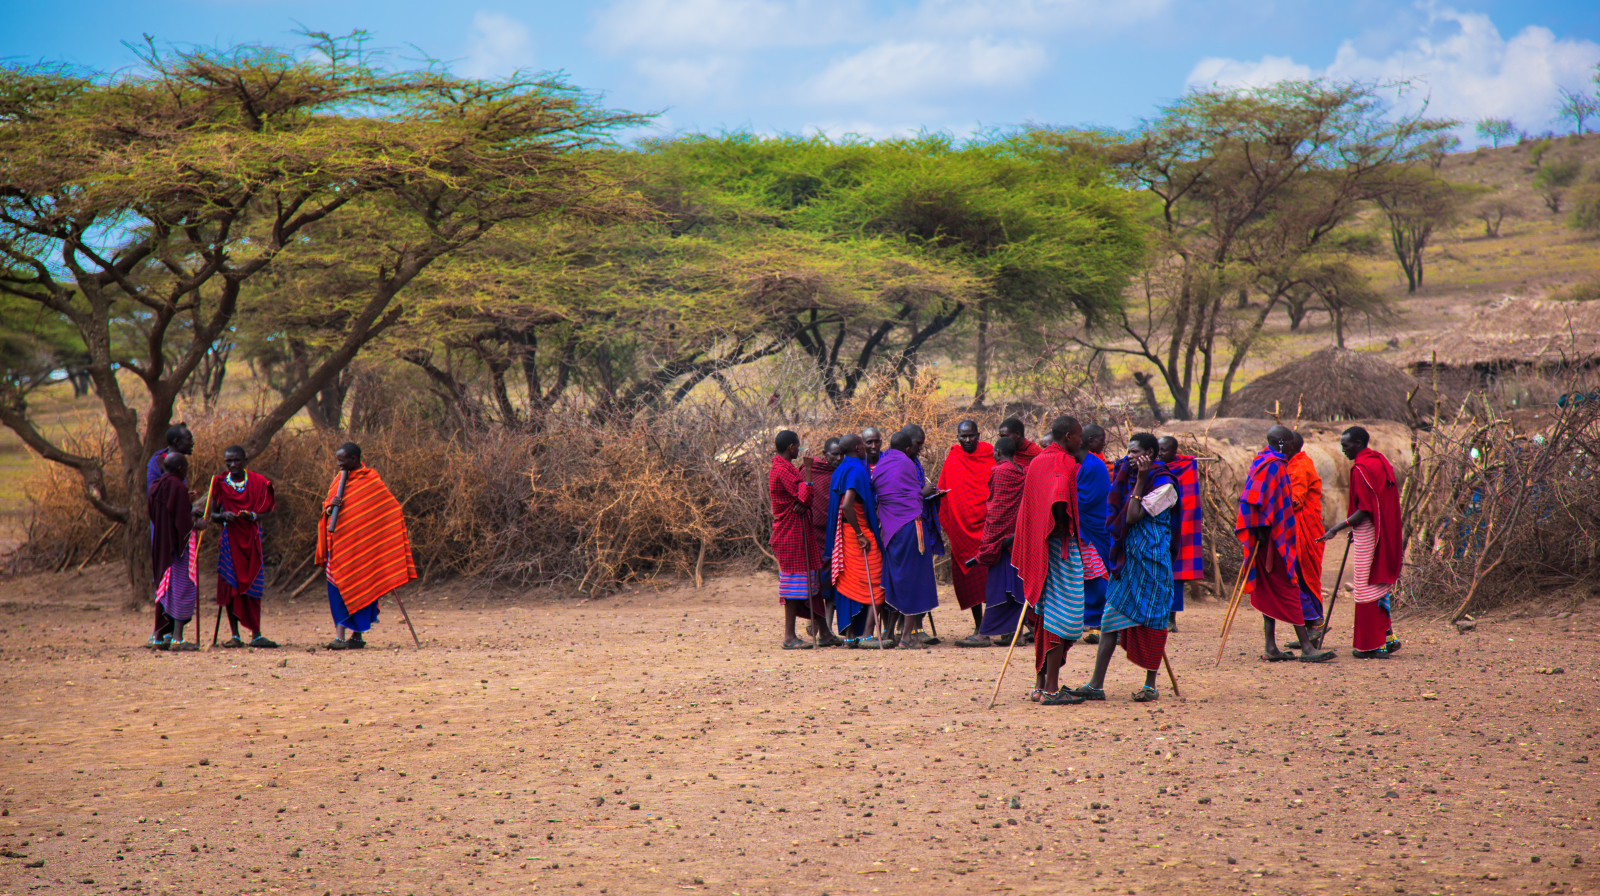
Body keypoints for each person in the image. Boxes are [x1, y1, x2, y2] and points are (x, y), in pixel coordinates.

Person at [1074, 433, 1177, 701]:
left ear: (1151, 454)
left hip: (1153, 562)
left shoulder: (1165, 485)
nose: (1129, 457)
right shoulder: (1125, 476)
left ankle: (1150, 686)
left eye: (1135, 452)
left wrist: (1141, 480)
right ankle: (1096, 685)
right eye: (1128, 451)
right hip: (1127, 561)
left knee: (1153, 622)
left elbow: (1131, 516)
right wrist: (1135, 478)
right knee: (1109, 619)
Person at [1236, 426, 1334, 663]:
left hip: (1263, 534)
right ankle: (1307, 648)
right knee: (1289, 586)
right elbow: (1265, 501)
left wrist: (1258, 530)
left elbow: (1255, 498)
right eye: (1290, 443)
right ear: (1282, 444)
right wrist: (1265, 532)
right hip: (1274, 538)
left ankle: (1271, 647)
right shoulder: (1274, 465)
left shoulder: (1260, 460)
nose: (1294, 447)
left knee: (1268, 588)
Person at [1013, 416, 1088, 706]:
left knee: (1046, 615)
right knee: (1063, 617)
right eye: (1079, 436)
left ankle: (1041, 684)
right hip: (1059, 548)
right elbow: (1059, 497)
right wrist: (1061, 525)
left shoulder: (1038, 461)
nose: (1081, 441)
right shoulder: (1063, 463)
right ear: (1068, 436)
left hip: (1038, 550)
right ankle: (1053, 691)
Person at [316, 442, 417, 650]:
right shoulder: (339, 480)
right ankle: (339, 636)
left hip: (364, 550)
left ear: (354, 459)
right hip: (341, 548)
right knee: (338, 589)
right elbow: (328, 511)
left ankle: (357, 636)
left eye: (342, 461)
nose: (339, 465)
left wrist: (380, 537)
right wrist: (330, 508)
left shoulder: (371, 481)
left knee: (364, 586)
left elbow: (392, 509)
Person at [1319, 426, 1405, 659]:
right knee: (1375, 584)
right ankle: (1387, 638)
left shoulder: (1361, 468)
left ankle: (1372, 645)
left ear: (1358, 444)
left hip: (1370, 531)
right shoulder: (1378, 461)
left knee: (1366, 587)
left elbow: (1365, 510)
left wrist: (1336, 528)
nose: (1342, 449)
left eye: (1345, 445)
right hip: (1383, 529)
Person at [768, 430, 837, 650]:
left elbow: (803, 497)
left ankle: (824, 632)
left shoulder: (784, 467)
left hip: (799, 531)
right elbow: (806, 496)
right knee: (794, 584)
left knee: (810, 582)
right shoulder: (782, 469)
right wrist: (807, 470)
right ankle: (789, 637)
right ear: (791, 447)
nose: (800, 450)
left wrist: (802, 499)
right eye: (798, 446)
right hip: (790, 533)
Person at [872, 431, 940, 648]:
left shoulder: (880, 465)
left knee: (897, 579)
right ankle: (907, 637)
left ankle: (894, 633)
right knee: (915, 580)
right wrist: (925, 492)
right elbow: (913, 497)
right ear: (908, 448)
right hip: (912, 527)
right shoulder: (908, 464)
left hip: (889, 531)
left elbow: (886, 497)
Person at [210, 446, 278, 648]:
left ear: (245, 460)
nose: (232, 465)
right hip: (230, 542)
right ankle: (235, 636)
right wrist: (223, 516)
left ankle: (256, 635)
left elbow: (267, 511)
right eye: (228, 461)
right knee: (231, 587)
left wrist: (254, 516)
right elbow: (213, 514)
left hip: (251, 540)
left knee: (253, 586)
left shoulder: (258, 482)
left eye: (237, 461)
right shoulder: (219, 483)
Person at [965, 437, 1027, 647]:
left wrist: (989, 541)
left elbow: (997, 509)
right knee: (1015, 587)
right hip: (1018, 539)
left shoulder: (1000, 472)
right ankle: (1016, 634)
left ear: (998, 452)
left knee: (997, 587)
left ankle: (984, 633)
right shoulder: (1022, 471)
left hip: (1002, 541)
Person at [826, 434, 885, 645]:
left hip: (843, 535)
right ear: (859, 447)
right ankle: (868, 635)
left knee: (848, 584)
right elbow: (847, 505)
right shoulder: (855, 469)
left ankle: (850, 637)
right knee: (879, 582)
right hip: (856, 535)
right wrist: (861, 535)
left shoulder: (840, 468)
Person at [941, 421, 994, 641]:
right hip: (962, 531)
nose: (967, 440)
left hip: (989, 529)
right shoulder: (953, 458)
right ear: (957, 437)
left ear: (978, 434)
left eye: (971, 435)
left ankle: (995, 626)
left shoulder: (990, 455)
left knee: (994, 580)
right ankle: (978, 627)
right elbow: (945, 492)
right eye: (963, 436)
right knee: (971, 579)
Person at [148, 451, 203, 651]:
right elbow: (181, 522)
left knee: (165, 587)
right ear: (180, 468)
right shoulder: (178, 487)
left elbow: (165, 514)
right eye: (186, 468)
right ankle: (177, 639)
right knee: (183, 586)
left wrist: (188, 508)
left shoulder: (155, 487)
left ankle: (158, 636)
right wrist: (197, 524)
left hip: (161, 544)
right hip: (178, 548)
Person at [1158, 435, 1204, 634]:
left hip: (1179, 526)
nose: (1160, 453)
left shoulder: (1185, 469)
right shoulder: (1152, 469)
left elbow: (1189, 502)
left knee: (1175, 573)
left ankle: (1171, 618)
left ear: (1174, 452)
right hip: (1157, 525)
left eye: (1164, 450)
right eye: (1157, 449)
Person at [1283, 431, 1326, 643]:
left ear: (1290, 447)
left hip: (1304, 530)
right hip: (1300, 528)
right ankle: (1310, 631)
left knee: (1298, 577)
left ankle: (1315, 621)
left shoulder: (1299, 466)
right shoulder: (1295, 463)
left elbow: (1295, 501)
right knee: (1302, 577)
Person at [1076, 429, 1114, 649]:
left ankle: (1100, 625)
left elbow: (1087, 500)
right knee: (1087, 577)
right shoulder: (1081, 464)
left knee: (1098, 577)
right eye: (1101, 440)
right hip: (1080, 531)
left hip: (1095, 529)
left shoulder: (1095, 466)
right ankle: (1089, 624)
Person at [808, 437, 843, 634]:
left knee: (832, 583)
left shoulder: (843, 472)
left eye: (841, 454)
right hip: (813, 535)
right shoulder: (812, 470)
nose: (838, 458)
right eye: (834, 454)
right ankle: (815, 623)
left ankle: (827, 629)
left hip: (834, 536)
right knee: (815, 584)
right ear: (824, 455)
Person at [147, 423, 194, 491]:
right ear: (177, 442)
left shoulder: (179, 460)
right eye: (189, 439)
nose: (192, 443)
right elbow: (156, 493)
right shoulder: (161, 459)